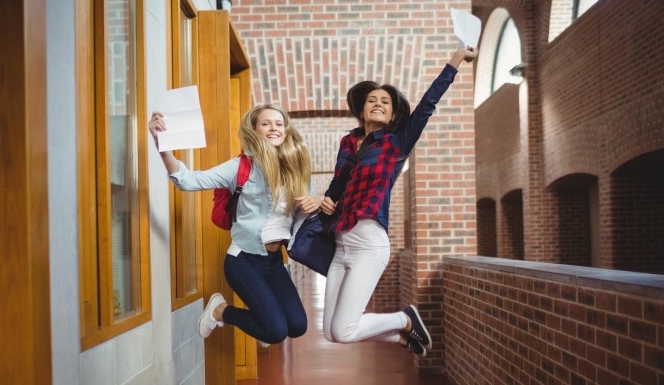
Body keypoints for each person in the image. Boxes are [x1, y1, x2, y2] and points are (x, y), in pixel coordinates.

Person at [318, 47, 478, 357]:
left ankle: (404, 318)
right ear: (362, 111)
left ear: (392, 115)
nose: (377, 104)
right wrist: (327, 202)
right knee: (331, 333)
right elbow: (337, 185)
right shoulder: (347, 142)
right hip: (341, 243)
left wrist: (454, 62)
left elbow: (427, 105)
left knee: (343, 329)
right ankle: (401, 338)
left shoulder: (396, 143)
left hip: (369, 243)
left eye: (385, 103)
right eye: (372, 101)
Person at [149, 104, 322, 345]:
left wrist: (318, 199)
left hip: (274, 262)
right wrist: (162, 147)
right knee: (275, 332)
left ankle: (252, 316)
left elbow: (310, 214)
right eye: (266, 123)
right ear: (254, 130)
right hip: (243, 260)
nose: (274, 127)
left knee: (297, 326)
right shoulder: (240, 166)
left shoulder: (298, 170)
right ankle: (220, 311)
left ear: (286, 130)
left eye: (279, 123)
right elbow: (189, 181)